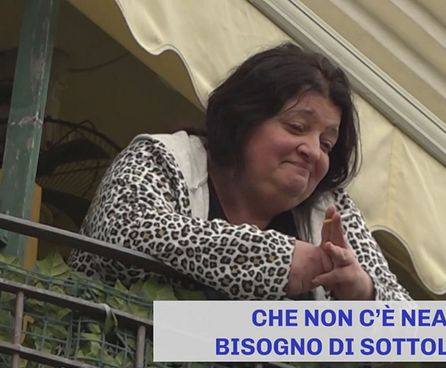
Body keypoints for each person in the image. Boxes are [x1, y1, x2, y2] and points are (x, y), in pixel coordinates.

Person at [69, 43, 411, 302]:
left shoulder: (329, 212)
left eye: (326, 144)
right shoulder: (163, 158)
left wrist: (364, 292)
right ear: (243, 119)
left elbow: (417, 336)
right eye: (296, 127)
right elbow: (123, 233)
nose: (312, 151)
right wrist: (279, 261)